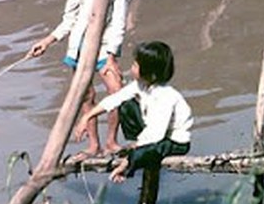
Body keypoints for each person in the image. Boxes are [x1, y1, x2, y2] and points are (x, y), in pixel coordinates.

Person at [28, 0, 131, 161]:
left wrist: (112, 56)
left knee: (116, 91)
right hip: (80, 49)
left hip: (105, 49)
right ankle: (93, 145)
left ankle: (112, 141)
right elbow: (69, 20)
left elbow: (118, 23)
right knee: (86, 96)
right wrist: (48, 41)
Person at [79, 40, 192, 183]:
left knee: (145, 152)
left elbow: (154, 135)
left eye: (135, 65)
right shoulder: (141, 85)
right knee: (126, 104)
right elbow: (115, 99)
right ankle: (135, 151)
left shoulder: (165, 96)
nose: (131, 68)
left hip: (174, 141)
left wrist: (132, 155)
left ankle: (127, 167)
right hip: (156, 133)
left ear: (151, 75)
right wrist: (87, 116)